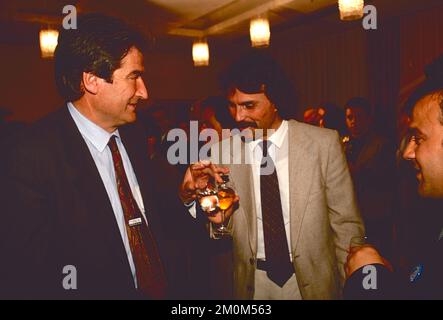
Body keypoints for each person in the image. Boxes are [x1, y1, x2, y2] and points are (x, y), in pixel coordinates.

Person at [0, 13, 198, 299]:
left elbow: (151, 219)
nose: (144, 92)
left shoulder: (135, 134)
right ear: (92, 80)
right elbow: (28, 274)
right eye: (134, 77)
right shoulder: (31, 156)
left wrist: (185, 196)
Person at [180, 52, 364, 300]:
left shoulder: (323, 144)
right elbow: (219, 229)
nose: (238, 116)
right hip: (252, 284)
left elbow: (345, 225)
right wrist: (195, 198)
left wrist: (350, 287)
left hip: (315, 284)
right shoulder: (221, 152)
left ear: (275, 100)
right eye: (232, 106)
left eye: (249, 106)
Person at [345, 67, 443, 299]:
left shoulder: (380, 144)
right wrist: (390, 281)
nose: (408, 152)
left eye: (418, 138)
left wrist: (366, 278)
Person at [343, 97, 396, 259]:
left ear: (369, 118)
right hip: (350, 215)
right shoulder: (343, 145)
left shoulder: (383, 144)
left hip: (376, 215)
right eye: (350, 117)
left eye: (359, 116)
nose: (354, 122)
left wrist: (355, 171)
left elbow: (386, 179)